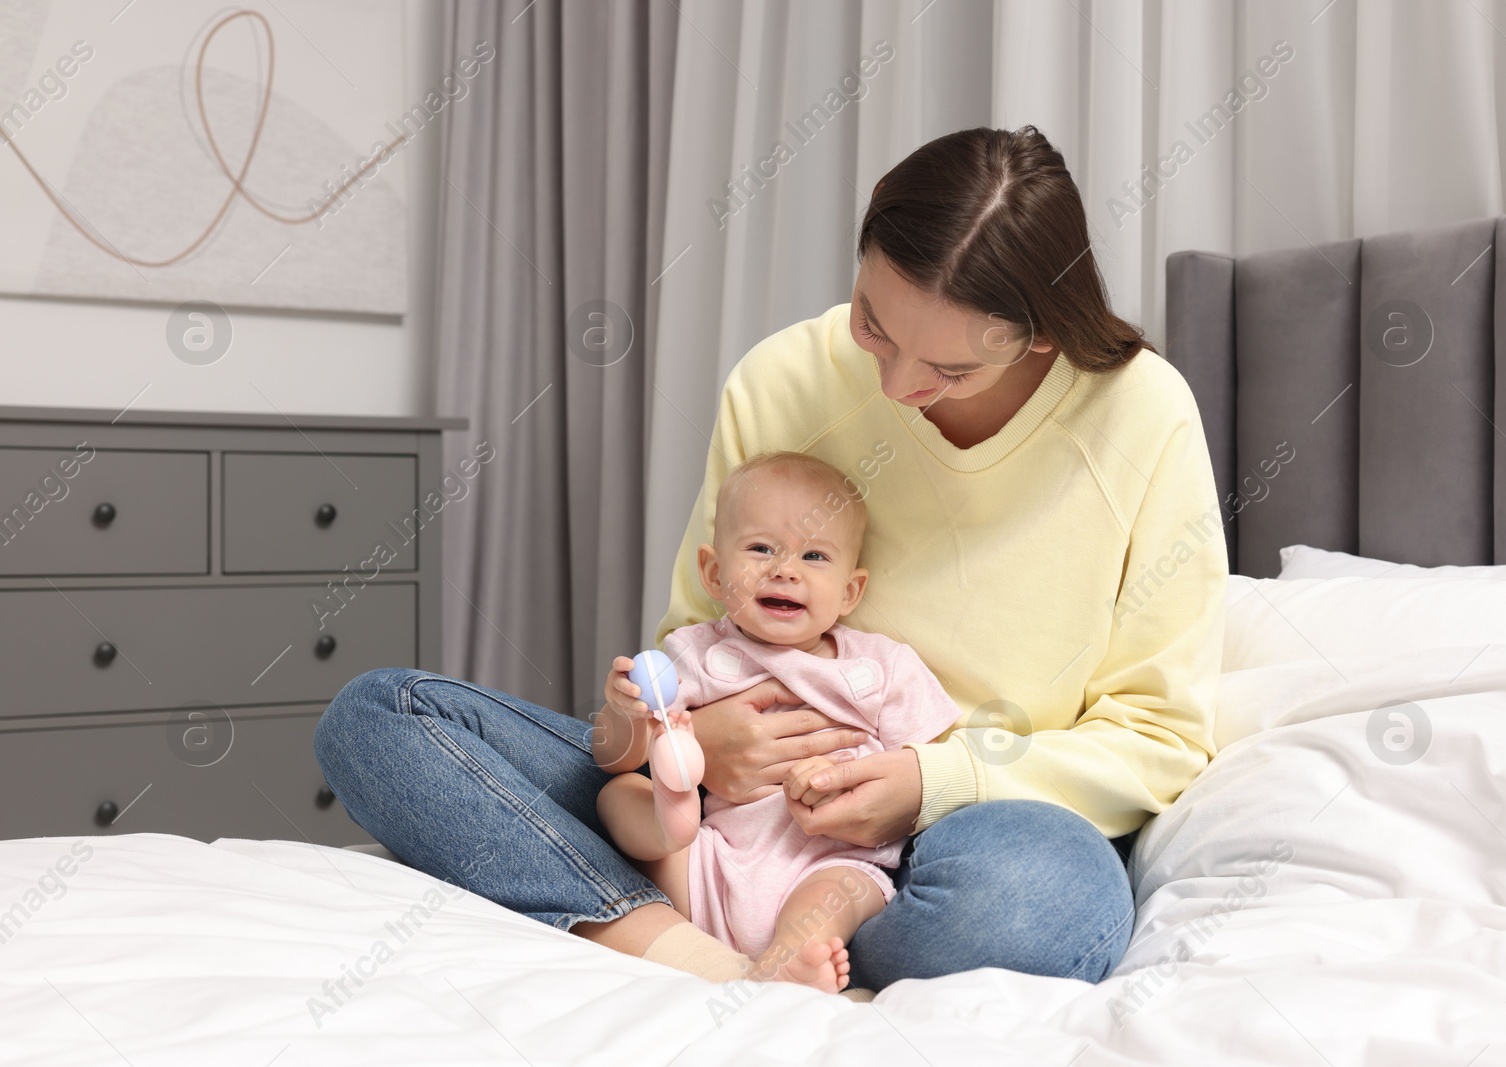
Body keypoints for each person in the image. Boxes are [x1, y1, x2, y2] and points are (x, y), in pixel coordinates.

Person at [313, 124, 1228, 995]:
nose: (898, 386)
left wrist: (929, 783)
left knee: (1041, 907)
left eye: (949, 371)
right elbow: (694, 631)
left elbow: (1161, 734)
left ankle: (794, 936)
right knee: (380, 717)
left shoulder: (1141, 415)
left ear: (1040, 333)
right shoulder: (781, 376)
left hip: (970, 821)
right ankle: (700, 957)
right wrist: (698, 744)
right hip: (722, 800)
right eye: (876, 324)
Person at [595, 451, 963, 993]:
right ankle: (668, 829)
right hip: (708, 860)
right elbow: (614, 757)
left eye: (814, 556)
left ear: (850, 591)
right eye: (762, 548)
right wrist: (624, 714)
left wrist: (847, 785)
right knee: (617, 791)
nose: (784, 568)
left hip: (828, 858)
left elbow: (925, 765)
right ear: (715, 574)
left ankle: (789, 959)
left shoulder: (879, 668)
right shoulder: (697, 655)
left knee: (840, 892)